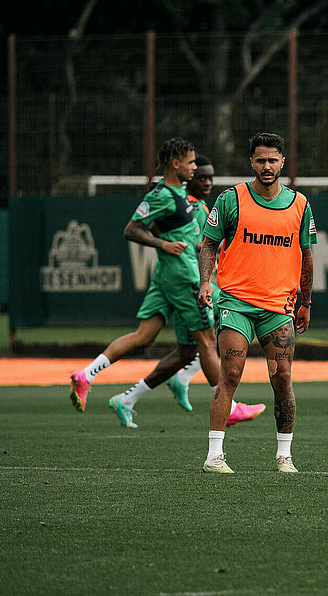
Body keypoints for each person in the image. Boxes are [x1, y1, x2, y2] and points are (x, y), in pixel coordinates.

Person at [68, 138, 220, 428]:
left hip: (168, 277)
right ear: (175, 164)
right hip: (182, 277)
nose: (194, 167)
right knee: (209, 341)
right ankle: (229, 403)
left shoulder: (180, 195)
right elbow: (131, 230)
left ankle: (87, 376)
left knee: (144, 337)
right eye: (191, 163)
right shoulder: (163, 194)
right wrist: (163, 245)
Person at [198, 132, 316, 474]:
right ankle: (214, 456)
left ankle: (284, 457)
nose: (267, 166)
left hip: (279, 307)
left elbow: (306, 257)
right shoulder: (231, 199)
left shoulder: (300, 205)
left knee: (282, 379)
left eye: (273, 160)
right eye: (260, 160)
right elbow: (209, 245)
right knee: (231, 373)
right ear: (251, 162)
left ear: (283, 162)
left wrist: (305, 301)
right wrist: (207, 282)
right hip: (235, 302)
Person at [165, 154, 267, 427]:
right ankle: (227, 405)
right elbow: (204, 244)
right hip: (202, 280)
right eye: (202, 177)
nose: (208, 182)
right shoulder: (191, 207)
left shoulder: (196, 205)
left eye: (211, 177)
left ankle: (140, 394)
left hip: (198, 279)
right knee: (215, 339)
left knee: (194, 344)